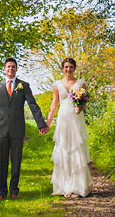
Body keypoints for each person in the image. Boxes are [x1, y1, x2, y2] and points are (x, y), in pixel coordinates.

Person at [0, 57, 49, 200]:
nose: (11, 69)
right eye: (8, 67)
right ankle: (2, 192)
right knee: (2, 162)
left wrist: (41, 124)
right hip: (2, 129)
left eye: (13, 67)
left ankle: (14, 191)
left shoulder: (24, 86)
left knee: (16, 161)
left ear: (16, 69)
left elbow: (33, 105)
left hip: (17, 129)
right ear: (4, 69)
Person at [46, 57, 92, 197]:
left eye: (71, 67)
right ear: (62, 68)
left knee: (76, 149)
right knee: (63, 149)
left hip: (76, 118)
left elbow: (85, 101)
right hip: (63, 118)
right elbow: (54, 104)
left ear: (74, 68)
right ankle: (64, 186)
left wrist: (80, 107)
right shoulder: (57, 84)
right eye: (66, 67)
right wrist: (47, 123)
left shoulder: (81, 83)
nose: (68, 69)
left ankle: (78, 187)